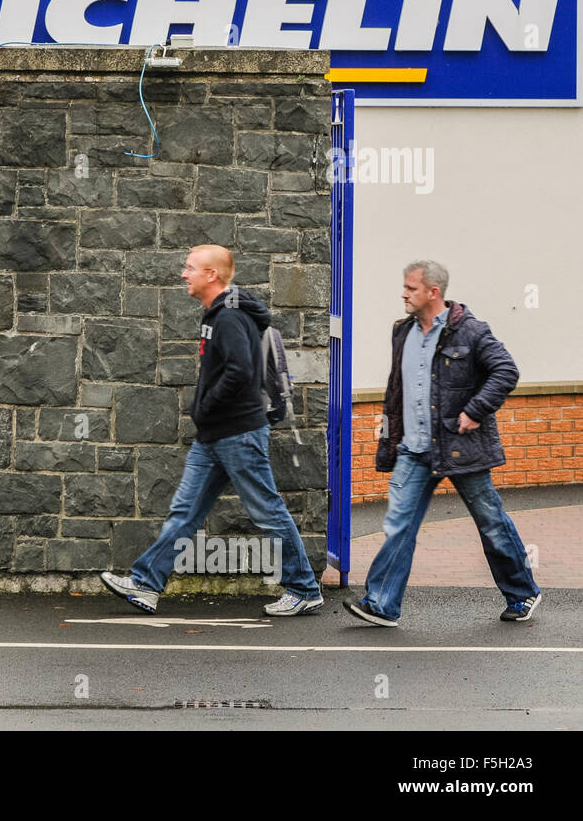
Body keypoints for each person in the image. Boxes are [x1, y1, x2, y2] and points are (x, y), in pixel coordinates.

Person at [100, 245, 324, 617]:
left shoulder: (230, 317)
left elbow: (240, 372)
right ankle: (146, 585)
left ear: (211, 275)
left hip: (238, 433)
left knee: (266, 510)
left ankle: (303, 588)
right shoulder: (217, 314)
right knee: (184, 513)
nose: (183, 274)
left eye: (190, 268)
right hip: (214, 437)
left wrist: (205, 407)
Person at [345, 261, 541, 626]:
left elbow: (506, 371)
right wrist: (391, 437)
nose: (403, 294)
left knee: (491, 522)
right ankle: (382, 603)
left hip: (460, 446)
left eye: (411, 288)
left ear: (433, 292)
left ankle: (522, 593)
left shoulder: (471, 331)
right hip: (414, 450)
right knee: (399, 525)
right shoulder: (402, 331)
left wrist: (475, 411)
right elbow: (398, 390)